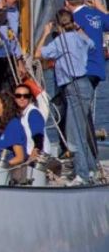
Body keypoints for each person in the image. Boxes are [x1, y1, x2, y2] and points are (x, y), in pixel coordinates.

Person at [35, 10, 96, 182]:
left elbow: (38, 54)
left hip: (73, 87)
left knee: (73, 136)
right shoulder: (79, 37)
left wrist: (46, 33)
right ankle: (91, 170)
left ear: (58, 24)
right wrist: (77, 28)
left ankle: (82, 175)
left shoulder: (60, 41)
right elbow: (91, 44)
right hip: (85, 86)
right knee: (80, 132)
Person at [65, 0, 109, 90]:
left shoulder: (71, 19)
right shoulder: (97, 14)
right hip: (98, 69)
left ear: (67, 2)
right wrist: (100, 7)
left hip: (81, 71)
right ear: (84, 0)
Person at [13, 84, 50, 160]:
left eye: (25, 96)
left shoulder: (33, 113)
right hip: (28, 155)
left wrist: (34, 154)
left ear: (30, 98)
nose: (22, 98)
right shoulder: (20, 114)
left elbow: (39, 137)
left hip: (39, 157)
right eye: (18, 96)